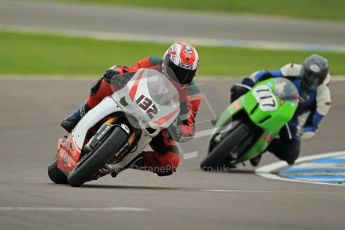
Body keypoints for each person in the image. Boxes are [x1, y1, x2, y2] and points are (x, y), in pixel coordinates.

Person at [61, 41, 201, 176]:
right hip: (134, 99)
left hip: (159, 123)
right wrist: (116, 72)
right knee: (106, 81)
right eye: (175, 70)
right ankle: (79, 114)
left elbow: (188, 123)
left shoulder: (193, 93)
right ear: (166, 61)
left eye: (186, 74)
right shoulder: (153, 62)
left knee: (171, 161)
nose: (179, 76)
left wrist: (179, 130)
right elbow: (130, 70)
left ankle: (128, 161)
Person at [230, 54, 332, 166]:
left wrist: (301, 130)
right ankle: (232, 119)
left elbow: (313, 125)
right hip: (271, 97)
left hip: (289, 117)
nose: (311, 80)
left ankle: (266, 143)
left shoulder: (324, 98)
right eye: (308, 75)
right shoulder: (293, 69)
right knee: (239, 89)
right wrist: (251, 82)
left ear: (322, 79)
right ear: (303, 70)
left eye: (316, 78)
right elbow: (267, 73)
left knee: (291, 155)